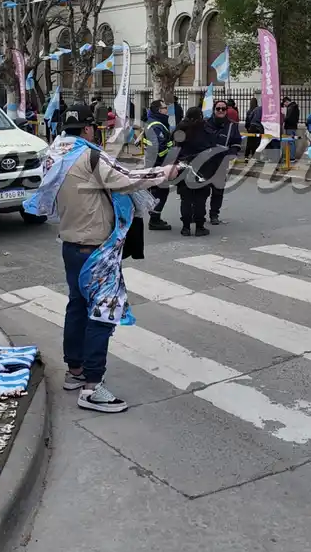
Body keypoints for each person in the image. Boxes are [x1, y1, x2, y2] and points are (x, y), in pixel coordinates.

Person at [23, 104, 178, 413]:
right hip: (95, 249)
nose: (96, 131)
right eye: (94, 127)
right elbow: (127, 178)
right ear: (88, 129)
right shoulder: (90, 156)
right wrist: (164, 172)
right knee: (102, 314)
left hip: (71, 245)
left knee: (77, 307)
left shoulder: (55, 154)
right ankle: (92, 387)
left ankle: (75, 371)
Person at [171, 107, 214, 236]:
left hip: (184, 166)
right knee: (200, 199)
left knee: (186, 199)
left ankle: (186, 227)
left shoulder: (180, 129)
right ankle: (200, 227)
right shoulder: (205, 129)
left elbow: (175, 147)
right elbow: (211, 147)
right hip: (202, 168)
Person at [205, 100, 240, 225]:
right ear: (214, 110)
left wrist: (232, 153)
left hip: (221, 163)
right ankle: (199, 214)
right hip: (205, 163)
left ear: (226, 110)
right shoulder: (205, 124)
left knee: (218, 190)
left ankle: (214, 214)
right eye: (218, 108)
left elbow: (236, 142)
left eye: (223, 109)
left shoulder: (232, 126)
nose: (220, 111)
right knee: (202, 190)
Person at [142, 100, 174, 230]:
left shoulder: (155, 123)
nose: (167, 110)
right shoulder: (156, 125)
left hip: (153, 164)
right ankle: (154, 219)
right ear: (159, 110)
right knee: (161, 193)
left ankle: (155, 217)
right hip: (158, 165)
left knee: (158, 192)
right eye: (165, 107)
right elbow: (160, 148)